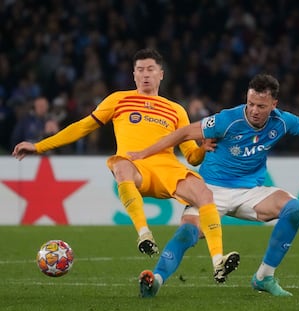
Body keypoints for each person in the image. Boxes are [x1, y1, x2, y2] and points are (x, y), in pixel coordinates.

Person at [12, 48, 239, 284]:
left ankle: (218, 261)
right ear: (133, 75)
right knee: (121, 165)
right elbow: (81, 127)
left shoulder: (176, 110)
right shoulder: (119, 99)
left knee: (204, 193)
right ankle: (144, 234)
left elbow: (191, 156)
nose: (145, 75)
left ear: (161, 74)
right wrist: (39, 146)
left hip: (167, 170)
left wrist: (203, 148)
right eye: (140, 70)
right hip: (135, 166)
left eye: (150, 69)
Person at [129, 73, 299, 297]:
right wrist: (143, 153)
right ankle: (155, 281)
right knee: (188, 232)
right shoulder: (228, 120)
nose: (254, 110)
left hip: (250, 193)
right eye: (251, 104)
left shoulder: (282, 121)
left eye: (261, 106)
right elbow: (184, 133)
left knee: (295, 208)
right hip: (210, 192)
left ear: (274, 105)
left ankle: (264, 277)